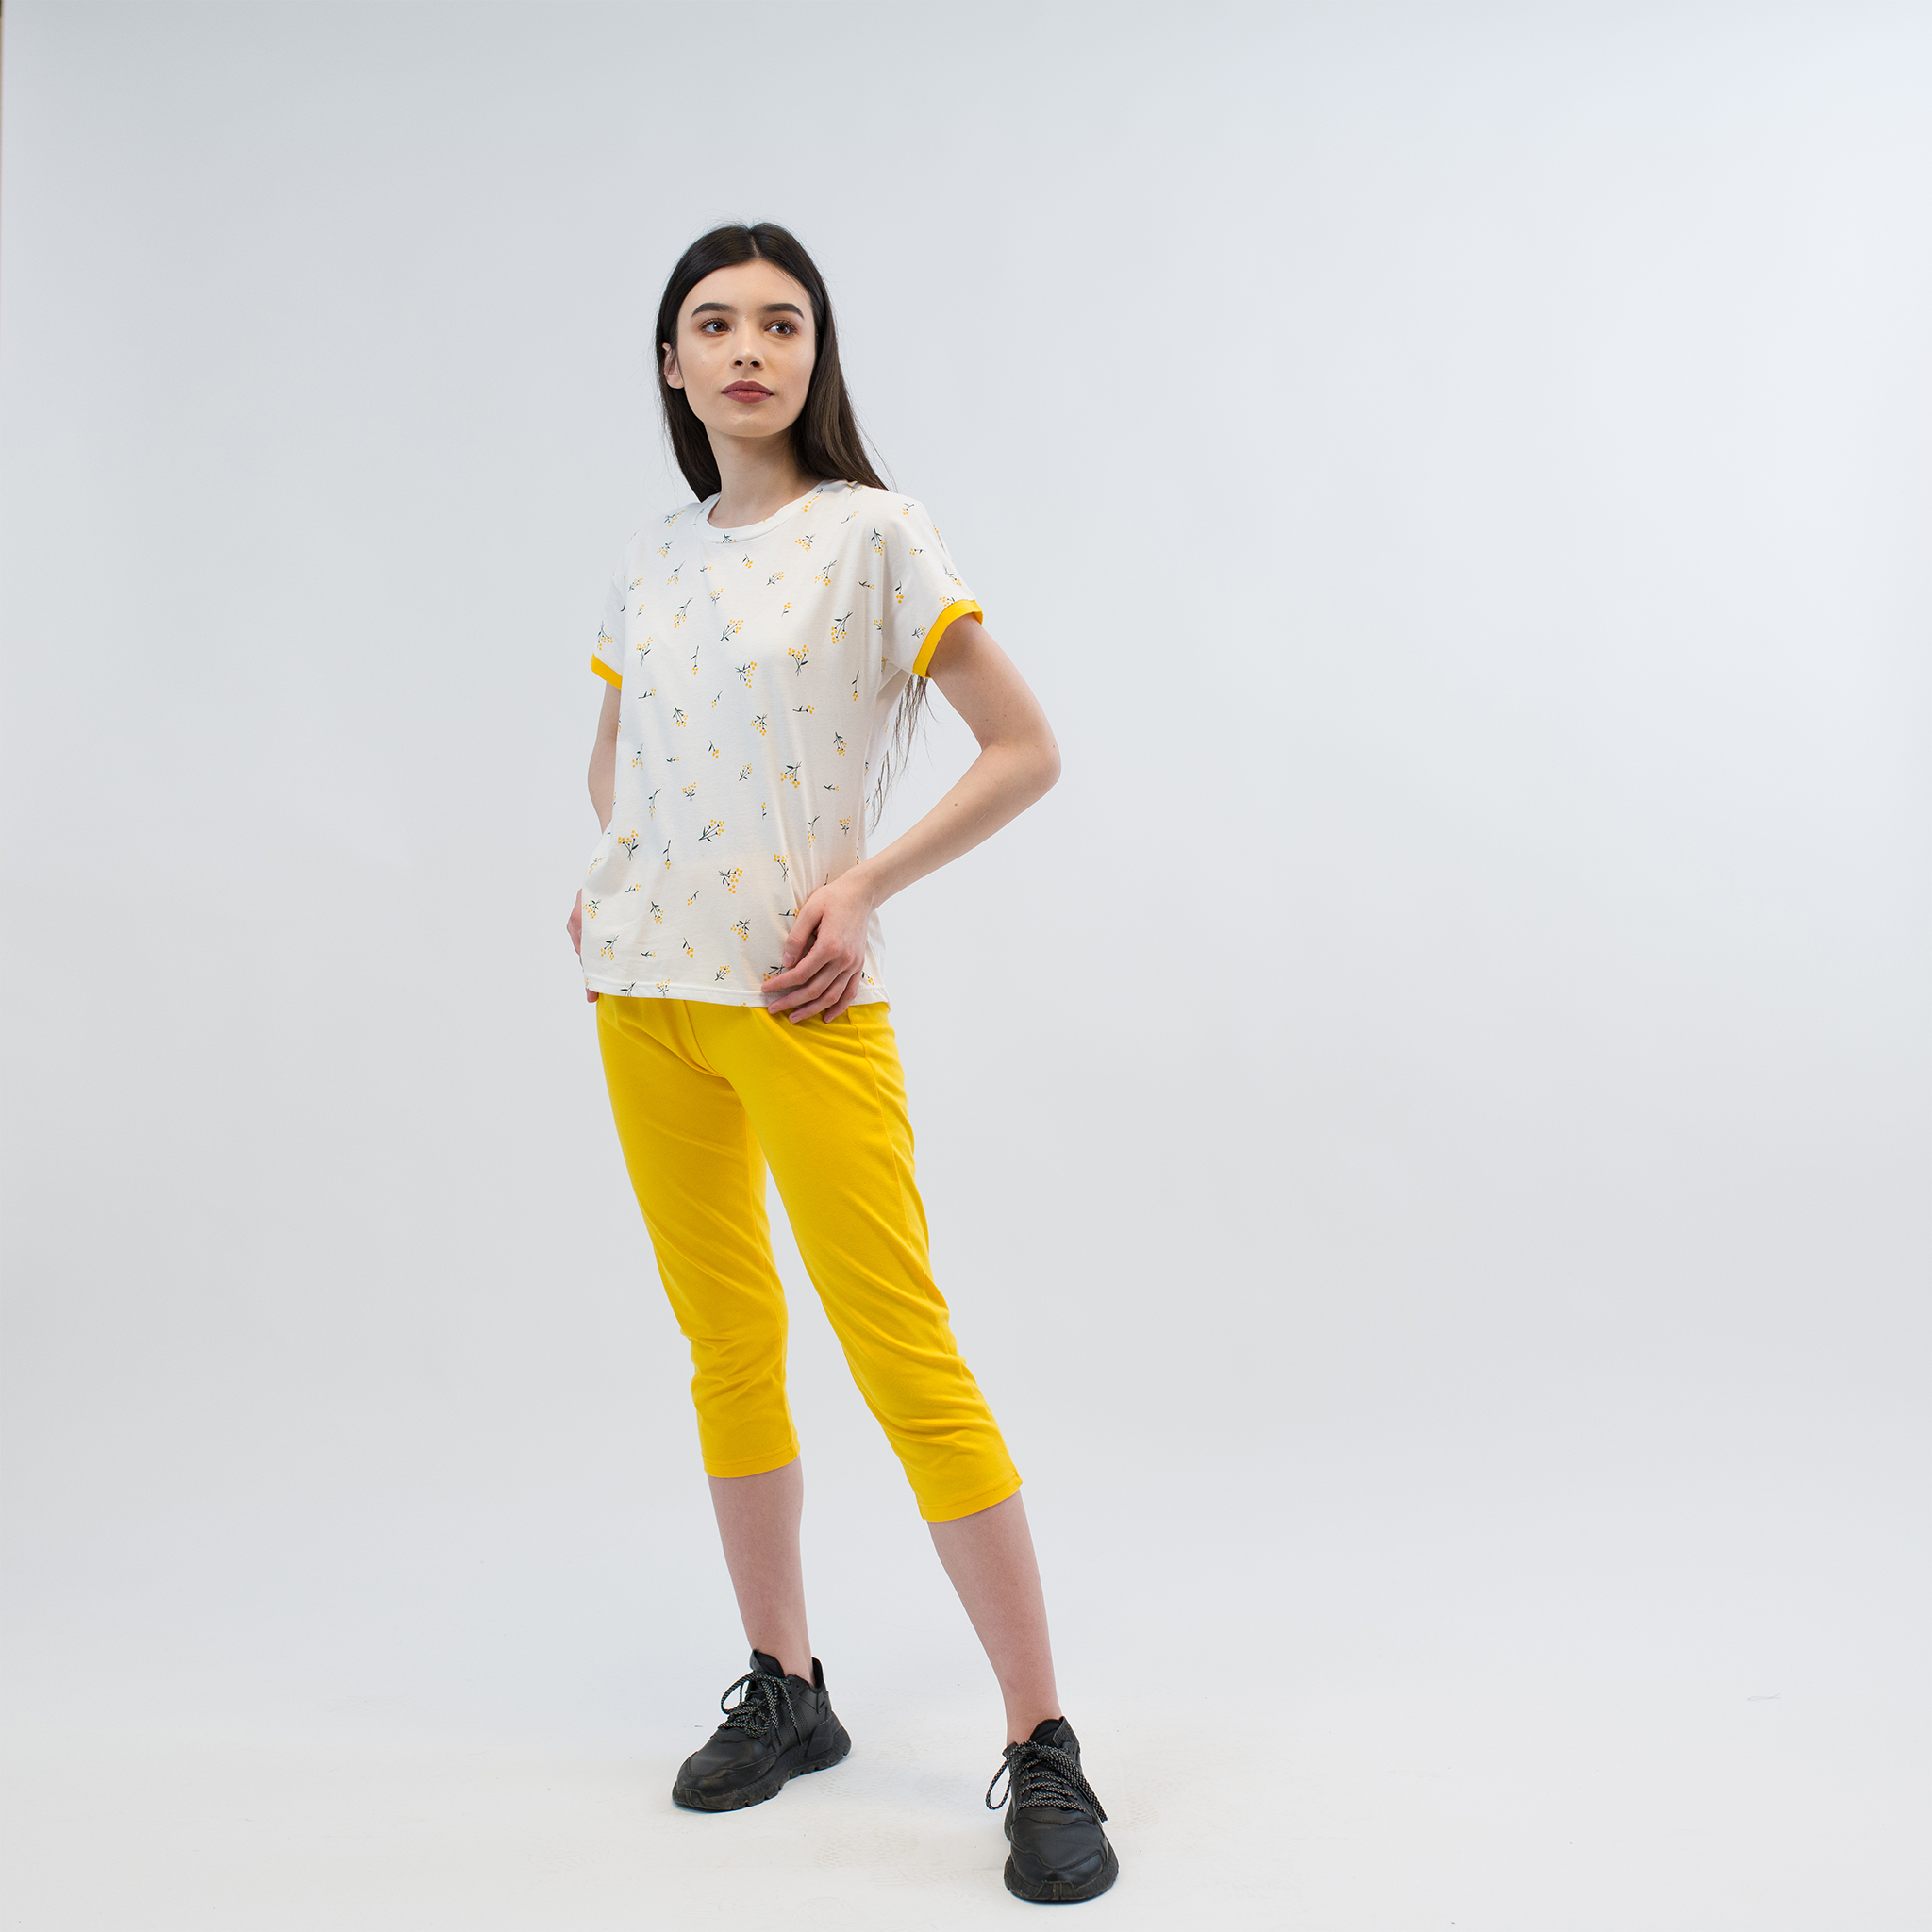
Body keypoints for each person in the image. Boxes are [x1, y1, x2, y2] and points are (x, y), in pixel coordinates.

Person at [565, 222, 1117, 1905]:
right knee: (727, 1348)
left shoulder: (875, 534)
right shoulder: (651, 558)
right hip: (642, 999)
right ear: (673, 365)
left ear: (817, 356)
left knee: (904, 1355)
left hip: (803, 1007)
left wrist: (862, 887)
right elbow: (619, 761)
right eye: (715, 323)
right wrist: (622, 878)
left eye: (782, 322)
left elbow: (1025, 748)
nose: (750, 348)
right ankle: (788, 1686)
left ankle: (1042, 1740)